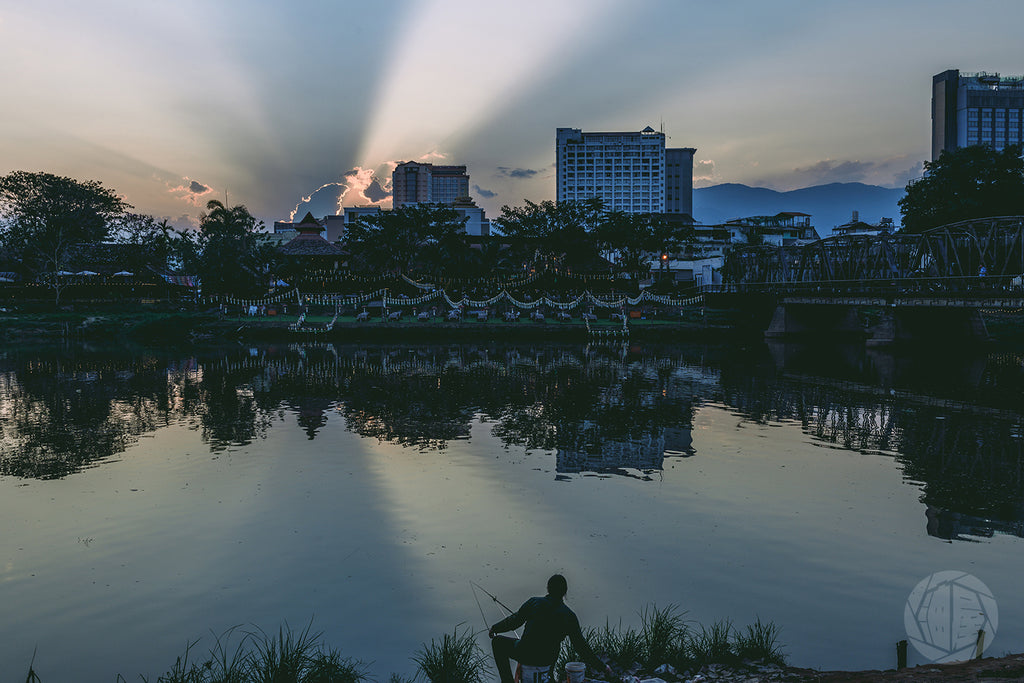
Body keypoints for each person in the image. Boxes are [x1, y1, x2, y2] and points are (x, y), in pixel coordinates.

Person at [489, 574, 612, 683]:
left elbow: (514, 621)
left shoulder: (534, 602)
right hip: (546, 659)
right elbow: (581, 648)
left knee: (498, 642)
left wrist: (495, 628)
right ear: (565, 592)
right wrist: (603, 668)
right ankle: (549, 676)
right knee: (554, 647)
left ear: (548, 588)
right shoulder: (569, 616)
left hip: (524, 652)